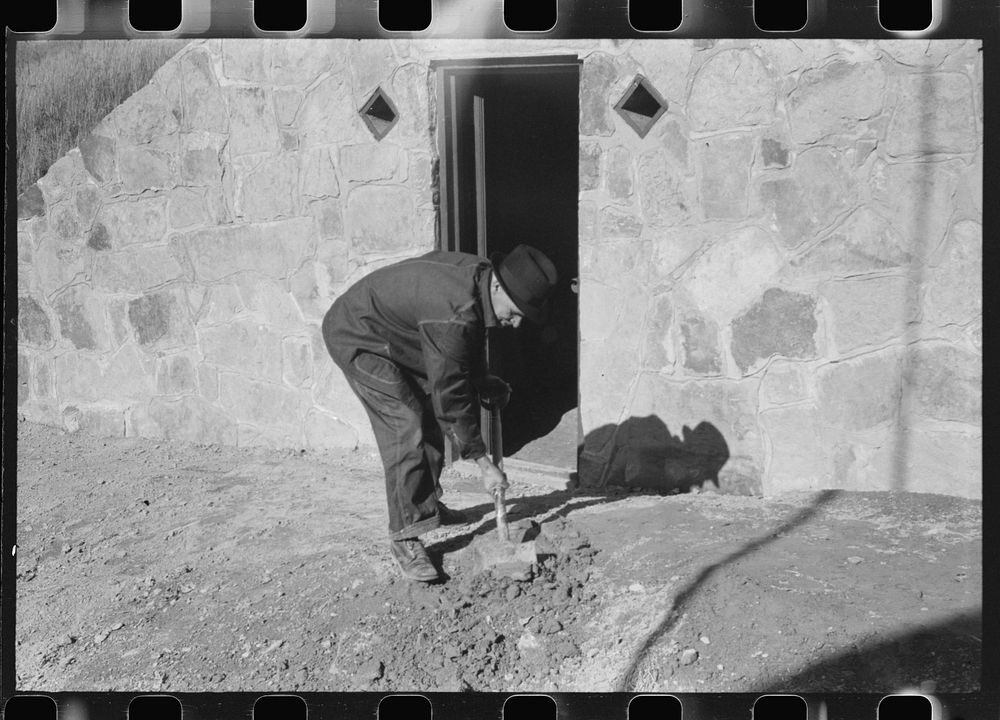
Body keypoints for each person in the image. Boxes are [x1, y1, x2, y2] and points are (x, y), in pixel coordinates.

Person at [321, 244, 559, 582]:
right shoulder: (452, 310)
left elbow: (464, 342)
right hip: (358, 336)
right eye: (517, 311)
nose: (518, 323)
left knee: (428, 411)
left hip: (399, 337)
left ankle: (425, 506)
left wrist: (481, 379)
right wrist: (483, 462)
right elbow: (451, 394)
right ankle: (405, 535)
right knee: (406, 423)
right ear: (497, 287)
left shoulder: (478, 280)